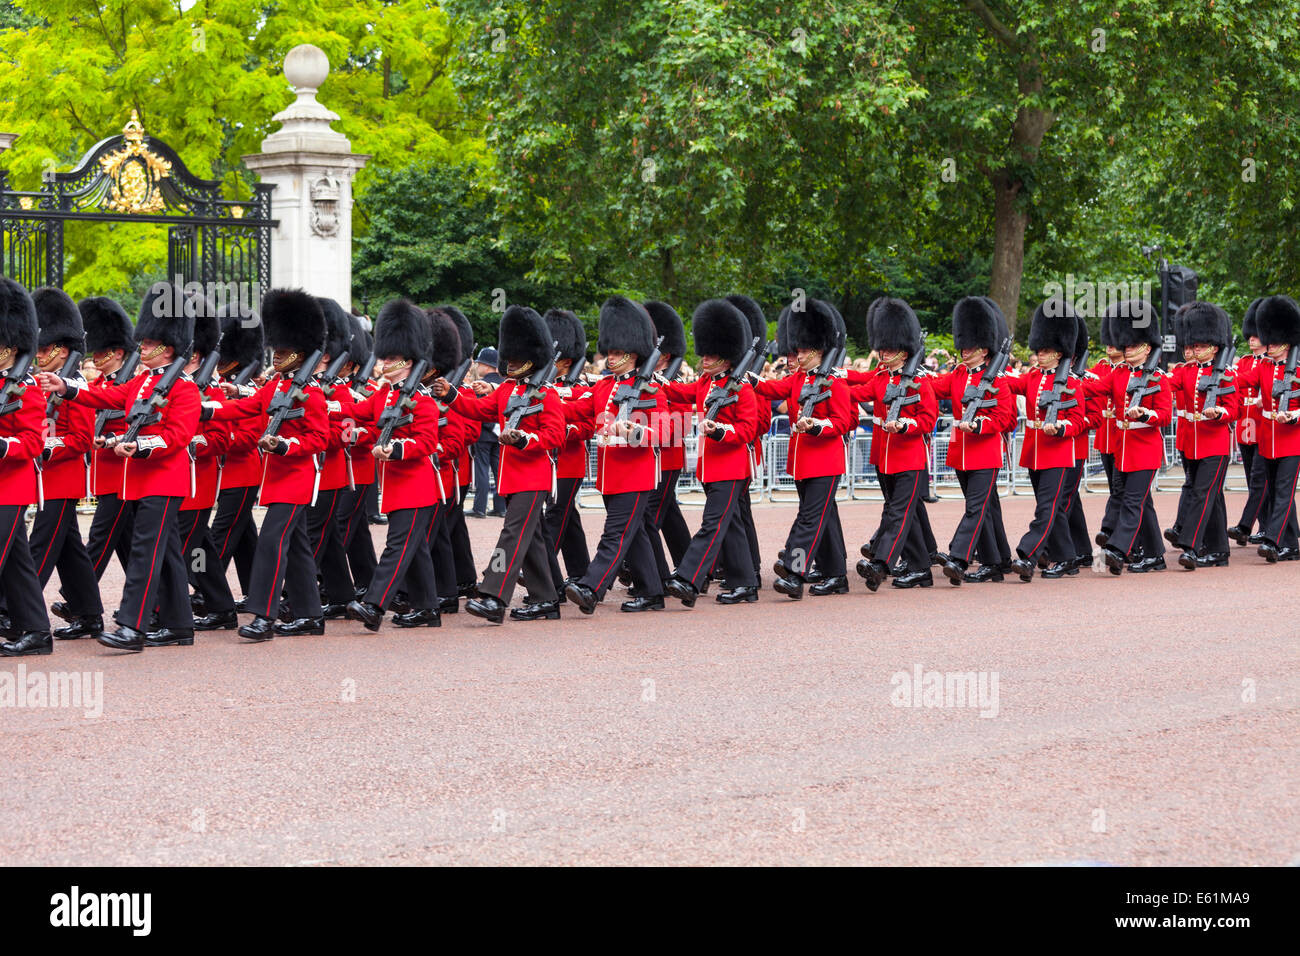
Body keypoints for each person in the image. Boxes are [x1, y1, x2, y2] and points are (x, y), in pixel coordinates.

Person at [38, 281, 202, 651]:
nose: (140, 347)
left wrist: (139, 445)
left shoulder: (185, 389)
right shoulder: (143, 382)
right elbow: (106, 395)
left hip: (163, 480)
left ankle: (133, 626)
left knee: (145, 554)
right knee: (170, 555)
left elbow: (176, 437)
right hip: (142, 480)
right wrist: (66, 388)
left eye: (147, 343)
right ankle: (179, 625)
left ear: (167, 346)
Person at [206, 289, 329, 641]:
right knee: (300, 548)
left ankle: (264, 615)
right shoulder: (276, 387)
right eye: (276, 349)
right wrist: (208, 410)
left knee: (271, 544)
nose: (277, 356)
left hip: (297, 478)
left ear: (300, 354)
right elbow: (244, 408)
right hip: (275, 478)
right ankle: (309, 615)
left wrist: (286, 445)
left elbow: (319, 439)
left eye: (285, 351)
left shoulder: (312, 393)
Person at [435, 305, 565, 623]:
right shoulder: (507, 390)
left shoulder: (546, 395)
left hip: (533, 478)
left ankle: (493, 597)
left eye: (518, 360)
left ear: (532, 361)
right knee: (529, 539)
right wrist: (452, 395)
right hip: (511, 477)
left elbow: (556, 435)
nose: (511, 364)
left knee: (510, 535)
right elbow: (477, 408)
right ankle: (546, 599)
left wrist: (525, 440)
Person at [562, 297, 670, 615]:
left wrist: (632, 432)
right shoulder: (603, 388)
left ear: (633, 353)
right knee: (633, 535)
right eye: (608, 351)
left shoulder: (650, 390)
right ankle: (652, 592)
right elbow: (574, 411)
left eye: (617, 352)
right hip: (610, 474)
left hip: (636, 474)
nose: (610, 357)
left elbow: (663, 433)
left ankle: (591, 587)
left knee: (615, 534)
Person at [338, 299, 442, 631]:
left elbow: (426, 442)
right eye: (384, 357)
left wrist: (395, 449)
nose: (384, 363)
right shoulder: (385, 396)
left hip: (417, 486)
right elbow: (362, 416)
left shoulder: (423, 399)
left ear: (409, 361)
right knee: (416, 549)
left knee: (396, 547)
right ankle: (428, 608)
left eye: (392, 358)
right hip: (395, 486)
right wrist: (348, 428)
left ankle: (374, 605)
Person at [660, 299, 760, 607]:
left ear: (727, 358)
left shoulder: (741, 390)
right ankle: (745, 584)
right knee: (732, 526)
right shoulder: (706, 383)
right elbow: (683, 393)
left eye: (712, 354)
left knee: (712, 523)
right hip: (710, 466)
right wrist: (657, 383)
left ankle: (689, 578)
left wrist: (721, 432)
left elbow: (748, 429)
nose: (705, 358)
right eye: (704, 353)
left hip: (731, 467)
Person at [49, 296, 137, 632]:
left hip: (123, 473)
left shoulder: (130, 384)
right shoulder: (98, 385)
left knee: (99, 539)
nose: (94, 357)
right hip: (104, 474)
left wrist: (115, 441)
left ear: (117, 352)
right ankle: (151, 604)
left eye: (100, 352)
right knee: (128, 548)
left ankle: (77, 601)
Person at [757, 299, 853, 599]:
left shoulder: (834, 382)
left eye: (801, 350)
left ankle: (795, 571)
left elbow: (844, 421)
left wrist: (816, 426)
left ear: (818, 350)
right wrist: (746, 379)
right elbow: (774, 390)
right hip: (802, 461)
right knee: (825, 517)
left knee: (809, 519)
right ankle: (836, 575)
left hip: (826, 461)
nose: (797, 354)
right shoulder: (799, 378)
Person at [24, 288, 104, 638]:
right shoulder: (39, 385)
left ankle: (15, 611)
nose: (40, 355)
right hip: (44, 479)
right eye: (39, 348)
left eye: (46, 349)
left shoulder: (74, 386)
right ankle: (89, 615)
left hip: (63, 479)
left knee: (37, 549)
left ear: (63, 350)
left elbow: (81, 440)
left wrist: (47, 446)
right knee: (71, 551)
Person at [929, 297, 1016, 585]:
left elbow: (1006, 418)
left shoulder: (998, 381)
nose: (965, 352)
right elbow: (934, 387)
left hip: (986, 452)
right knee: (986, 509)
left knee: (975, 509)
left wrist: (980, 425)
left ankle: (959, 557)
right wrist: (912, 378)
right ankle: (997, 561)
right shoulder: (958, 375)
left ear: (984, 349)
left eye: (970, 348)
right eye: (963, 347)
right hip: (961, 452)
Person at [855, 298, 939, 591]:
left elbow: (929, 419)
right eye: (882, 347)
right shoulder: (881, 378)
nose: (883, 352)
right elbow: (860, 390)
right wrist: (832, 382)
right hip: (884, 457)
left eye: (889, 348)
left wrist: (906, 425)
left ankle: (881, 563)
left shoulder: (920, 382)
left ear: (903, 352)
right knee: (908, 515)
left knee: (898, 513)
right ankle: (920, 569)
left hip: (910, 458)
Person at [1003, 299, 1088, 582]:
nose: (1040, 355)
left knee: (1047, 508)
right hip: (1035, 450)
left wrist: (1061, 427)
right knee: (1053, 510)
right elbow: (1008, 383)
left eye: (1046, 350)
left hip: (1059, 451)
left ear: (1059, 352)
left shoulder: (1072, 383)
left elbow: (1077, 420)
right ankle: (1067, 559)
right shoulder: (1032, 378)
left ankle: (1028, 554)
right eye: (1038, 350)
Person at [1094, 300, 1174, 575]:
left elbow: (1164, 415)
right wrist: (1071, 382)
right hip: (1122, 448)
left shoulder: (1159, 379)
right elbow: (1093, 388)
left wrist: (1144, 415)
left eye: (1132, 345)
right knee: (1139, 502)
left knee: (1131, 501)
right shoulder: (1118, 374)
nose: (1127, 349)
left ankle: (1118, 549)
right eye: (1125, 345)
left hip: (1146, 449)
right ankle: (1155, 556)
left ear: (1147, 347)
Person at [177, 301, 240, 633]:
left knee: (177, 550)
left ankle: (162, 609)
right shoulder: (171, 386)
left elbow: (221, 438)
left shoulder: (211, 389)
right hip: (176, 480)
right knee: (202, 548)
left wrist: (192, 443)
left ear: (196, 354)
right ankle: (221, 606)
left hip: (198, 482)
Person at [0, 279, 55, 657]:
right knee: (18, 562)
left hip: (11, 486)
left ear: (8, 346)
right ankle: (37, 631)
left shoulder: (27, 387)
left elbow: (34, 442)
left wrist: (3, 446)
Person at [1167, 302, 1238, 569]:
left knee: (1201, 494)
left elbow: (1234, 409)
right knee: (1213, 496)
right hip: (1191, 442)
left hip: (1215, 442)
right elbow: (1166, 386)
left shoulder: (1226, 374)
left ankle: (1191, 546)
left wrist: (1219, 412)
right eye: (1192, 346)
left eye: (1199, 346)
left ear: (1214, 346)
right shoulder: (1184, 371)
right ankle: (1219, 550)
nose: (1194, 350)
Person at [1233, 294, 1300, 562]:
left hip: (1292, 438)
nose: (1268, 345)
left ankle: (1272, 540)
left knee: (1284, 491)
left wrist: (1295, 415)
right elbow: (1242, 380)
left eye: (1273, 341)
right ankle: (1291, 543)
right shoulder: (1264, 366)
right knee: (1276, 491)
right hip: (1268, 439)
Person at [207, 306, 264, 611]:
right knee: (243, 540)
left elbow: (248, 438)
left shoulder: (249, 390)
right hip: (224, 473)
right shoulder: (221, 386)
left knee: (220, 537)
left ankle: (206, 591)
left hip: (242, 473)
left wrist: (218, 442)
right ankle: (257, 592)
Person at [308, 297, 361, 618]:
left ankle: (294, 591)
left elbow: (345, 435)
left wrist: (308, 439)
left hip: (329, 474)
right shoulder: (309, 386)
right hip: (310, 473)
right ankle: (343, 595)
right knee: (327, 538)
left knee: (312, 535)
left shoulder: (339, 392)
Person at [539, 308, 594, 595]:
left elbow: (590, 423)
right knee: (567, 518)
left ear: (567, 361)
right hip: (550, 462)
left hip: (570, 463)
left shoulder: (582, 390)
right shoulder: (545, 387)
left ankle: (547, 579)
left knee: (554, 518)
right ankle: (581, 572)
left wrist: (564, 424)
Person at [638, 301, 689, 589]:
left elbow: (678, 429)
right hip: (654, 458)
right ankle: (690, 569)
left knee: (649, 519)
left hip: (667, 460)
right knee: (669, 517)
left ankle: (655, 575)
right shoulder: (650, 380)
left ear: (664, 355)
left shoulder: (675, 382)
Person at [1227, 299, 1270, 545]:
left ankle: (1256, 525)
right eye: (1250, 335)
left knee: (1259, 480)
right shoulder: (1243, 362)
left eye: (1256, 335)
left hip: (1264, 426)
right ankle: (1266, 526)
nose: (1252, 339)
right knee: (1253, 479)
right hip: (1246, 427)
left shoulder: (1268, 364)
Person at [468, 346, 506, 518]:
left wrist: (489, 427)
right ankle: (500, 506)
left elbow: (480, 409)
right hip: (500, 433)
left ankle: (479, 507)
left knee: (482, 470)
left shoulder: (482, 384)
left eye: (480, 363)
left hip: (485, 432)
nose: (477, 366)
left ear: (487, 365)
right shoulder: (503, 384)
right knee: (498, 471)